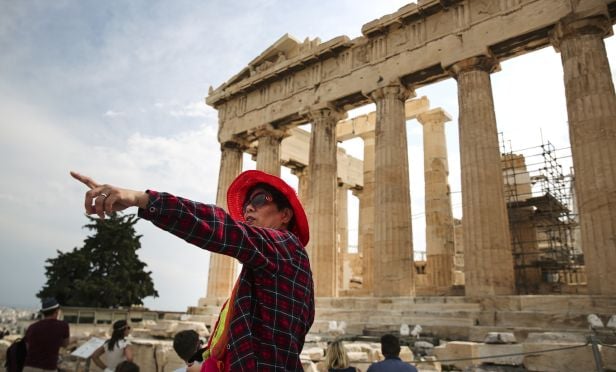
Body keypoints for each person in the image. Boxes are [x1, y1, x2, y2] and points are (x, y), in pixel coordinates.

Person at [71, 169, 315, 371]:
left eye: (260, 199)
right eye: (247, 204)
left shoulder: (286, 246)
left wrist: (142, 199)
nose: (249, 208)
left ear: (285, 215)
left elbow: (221, 227)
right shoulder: (273, 267)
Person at [23, 298, 70, 372]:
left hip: (29, 367)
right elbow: (65, 344)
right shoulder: (63, 326)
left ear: (43, 312)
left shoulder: (32, 327)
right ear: (57, 311)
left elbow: (27, 347)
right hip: (49, 368)